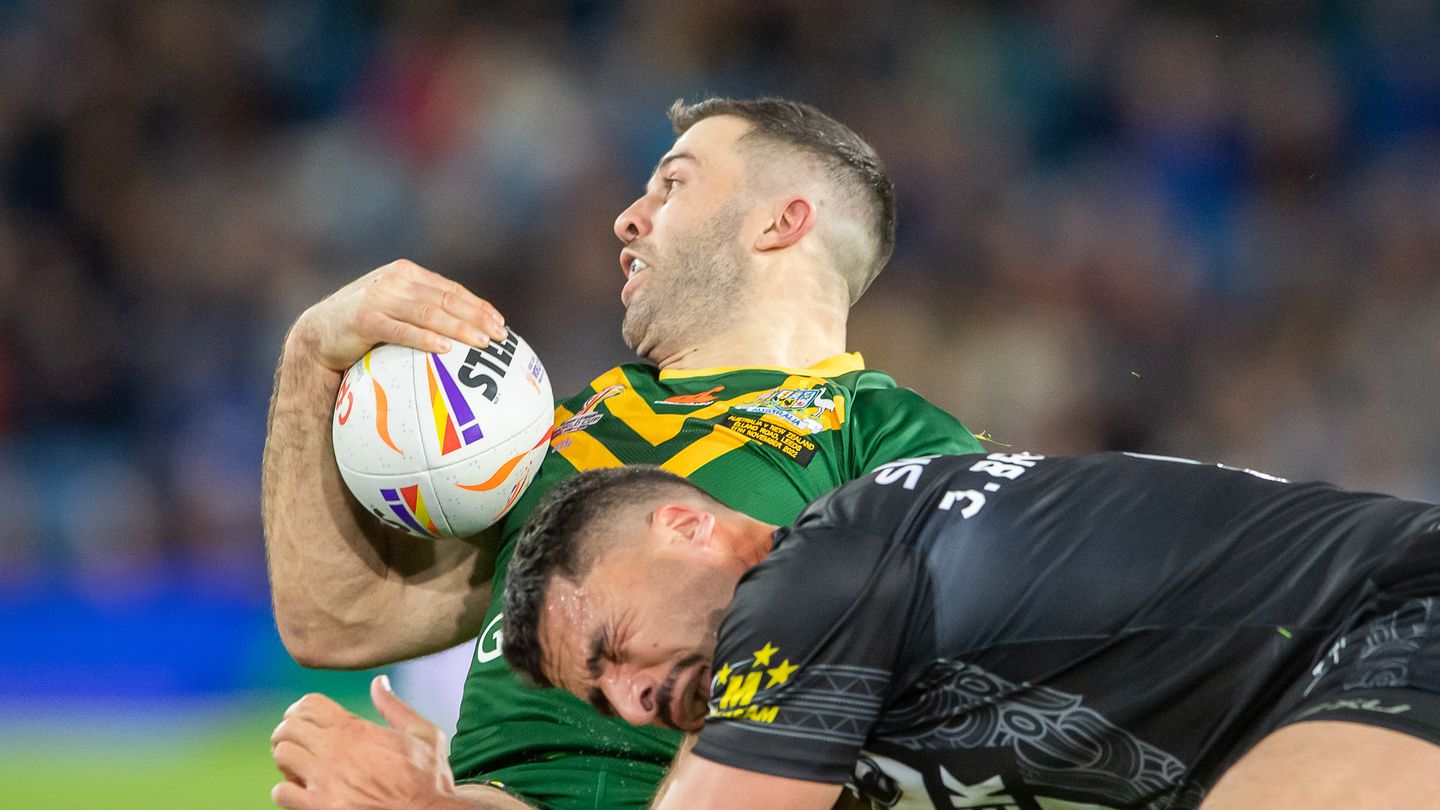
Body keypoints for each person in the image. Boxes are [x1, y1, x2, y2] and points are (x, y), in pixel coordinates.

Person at [263, 98, 983, 809]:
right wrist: (309, 356)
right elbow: (336, 621)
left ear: (782, 221)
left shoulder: (888, 433)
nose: (628, 218)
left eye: (673, 184)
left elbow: (947, 708)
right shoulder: (549, 425)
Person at [503, 451, 1440, 809]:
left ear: (685, 526)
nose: (632, 698)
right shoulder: (850, 714)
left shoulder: (817, 571)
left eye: (609, 646)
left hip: (1396, 619)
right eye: (603, 698)